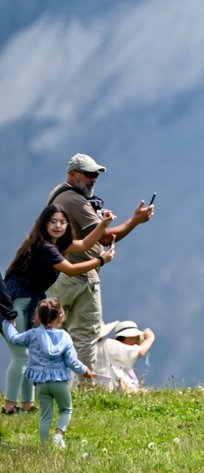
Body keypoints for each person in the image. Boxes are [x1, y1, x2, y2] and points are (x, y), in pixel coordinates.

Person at [46, 153, 155, 378]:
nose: (93, 179)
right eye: (88, 174)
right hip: (82, 277)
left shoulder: (58, 193)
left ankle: (56, 383)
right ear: (72, 174)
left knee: (58, 333)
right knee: (87, 336)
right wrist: (135, 220)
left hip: (59, 276)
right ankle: (85, 389)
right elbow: (105, 238)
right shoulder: (75, 201)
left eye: (95, 174)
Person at [3, 204, 116, 414]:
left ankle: (27, 405)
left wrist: (103, 224)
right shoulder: (45, 247)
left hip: (29, 300)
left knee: (29, 354)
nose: (58, 226)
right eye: (53, 222)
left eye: (62, 222)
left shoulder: (54, 245)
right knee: (21, 356)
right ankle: (9, 407)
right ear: (44, 224)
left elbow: (84, 244)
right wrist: (101, 260)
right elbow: (70, 270)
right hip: (17, 302)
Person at [1, 298, 92, 448]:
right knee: (66, 409)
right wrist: (85, 371)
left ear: (38, 316)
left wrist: (8, 322)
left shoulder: (32, 334)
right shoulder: (65, 337)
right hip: (59, 382)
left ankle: (44, 448)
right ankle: (58, 436)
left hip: (42, 384)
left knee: (45, 416)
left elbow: (14, 339)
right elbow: (72, 362)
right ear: (60, 317)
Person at [95, 320, 156, 392]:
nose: (138, 341)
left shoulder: (96, 347)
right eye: (136, 337)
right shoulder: (107, 344)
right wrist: (150, 338)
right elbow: (140, 352)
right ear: (126, 338)